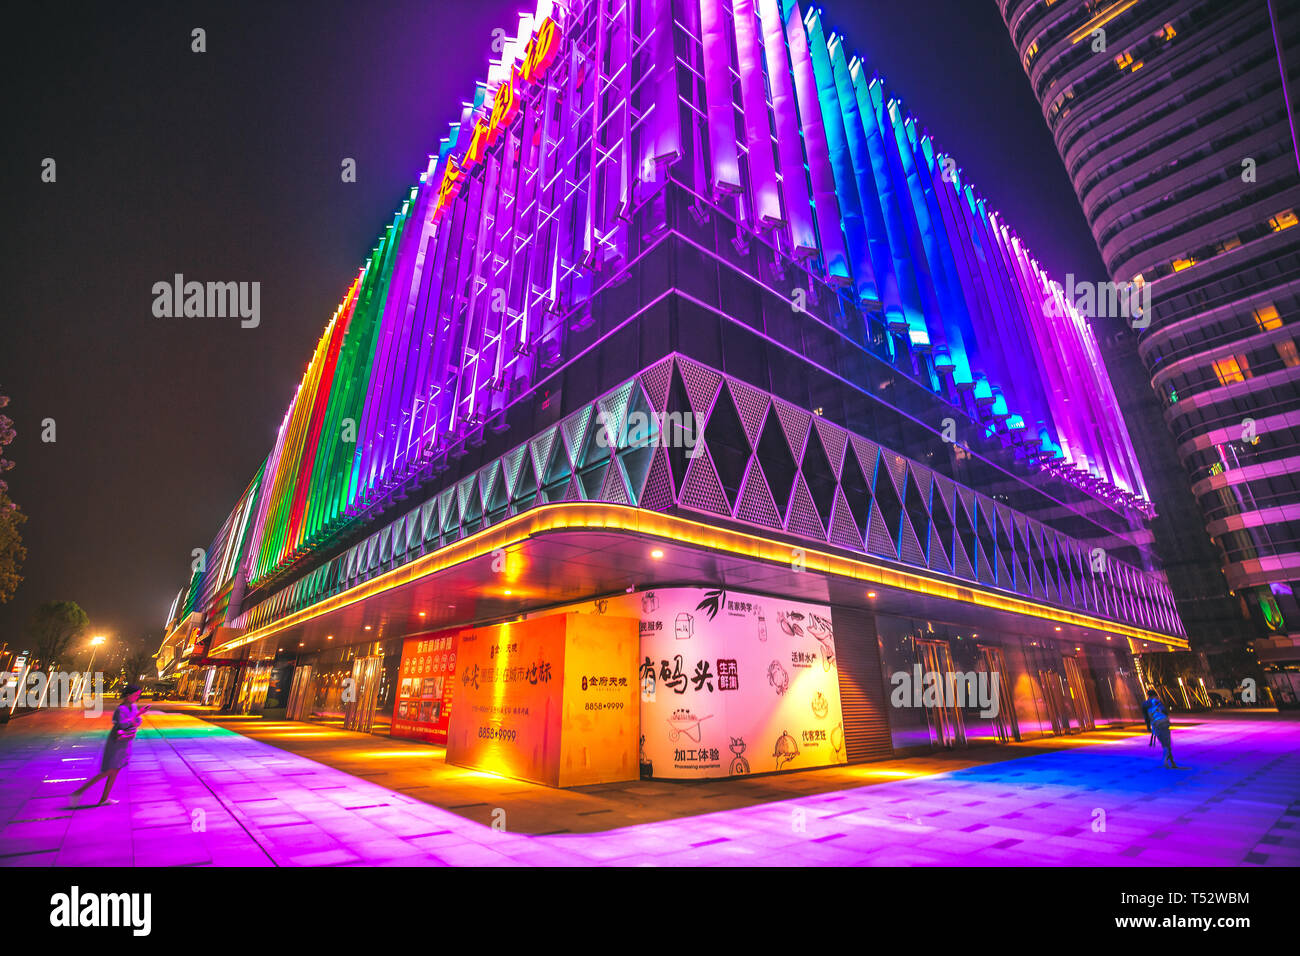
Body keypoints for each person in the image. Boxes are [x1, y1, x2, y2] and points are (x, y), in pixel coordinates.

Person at [73, 684, 151, 806]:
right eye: (135, 694)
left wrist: (138, 716)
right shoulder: (121, 709)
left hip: (126, 741)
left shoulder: (134, 707)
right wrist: (137, 716)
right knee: (109, 771)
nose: (137, 697)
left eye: (138, 695)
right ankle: (79, 791)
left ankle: (104, 798)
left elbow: (136, 722)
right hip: (117, 741)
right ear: (128, 695)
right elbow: (123, 724)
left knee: (115, 770)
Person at [1142, 688, 1178, 768]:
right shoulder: (1158, 702)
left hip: (1156, 725)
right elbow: (1165, 712)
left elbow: (1146, 718)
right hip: (1164, 723)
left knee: (1164, 744)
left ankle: (1171, 762)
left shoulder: (1145, 704)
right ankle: (1167, 760)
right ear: (1155, 695)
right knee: (1167, 744)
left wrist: (1148, 727)